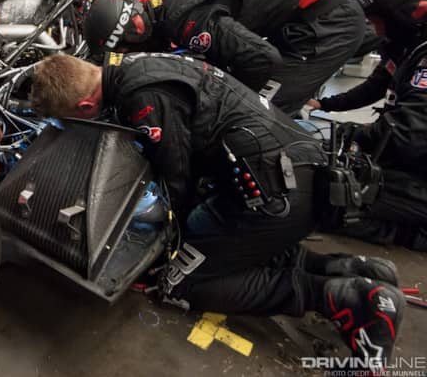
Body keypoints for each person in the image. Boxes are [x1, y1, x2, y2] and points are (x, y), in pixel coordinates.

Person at [30, 52, 404, 366]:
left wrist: (163, 248)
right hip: (296, 170)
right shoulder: (135, 66)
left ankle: (347, 299)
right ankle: (349, 268)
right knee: (216, 241)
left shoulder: (141, 97)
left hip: (277, 193)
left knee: (179, 279)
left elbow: (177, 179)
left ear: (84, 105)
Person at [82, 0, 368, 115]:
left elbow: (263, 59)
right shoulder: (172, 1)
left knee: (261, 113)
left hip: (331, 24)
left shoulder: (187, 22)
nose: (130, 56)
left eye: (125, 50)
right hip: (313, 14)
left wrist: (228, 101)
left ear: (135, 28)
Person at [306, 0, 427, 251]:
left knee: (333, 196)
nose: (376, 30)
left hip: (418, 167)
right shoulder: (408, 48)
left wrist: (350, 134)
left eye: (378, 21)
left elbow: (408, 135)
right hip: (415, 163)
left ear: (412, 13)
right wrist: (325, 106)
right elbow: (376, 86)